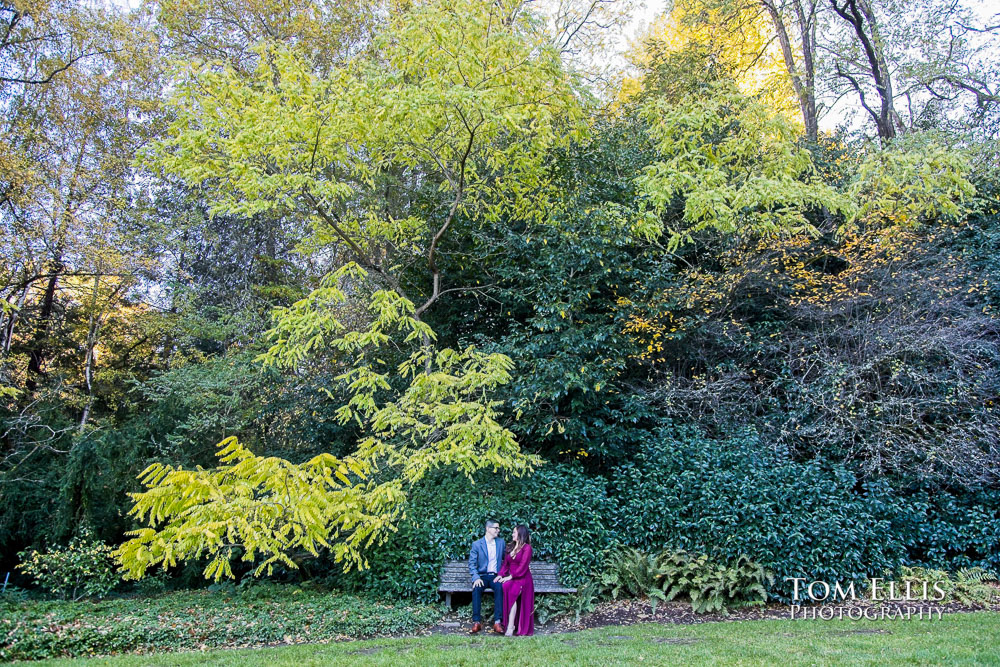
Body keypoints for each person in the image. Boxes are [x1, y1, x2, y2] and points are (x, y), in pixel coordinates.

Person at [467, 519, 505, 634]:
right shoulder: (477, 544)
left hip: (495, 576)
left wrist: (502, 575)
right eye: (496, 528)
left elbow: (505, 561)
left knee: (499, 587)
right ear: (488, 529)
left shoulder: (501, 542)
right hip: (482, 576)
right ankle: (476, 622)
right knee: (476, 588)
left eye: (498, 528)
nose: (498, 530)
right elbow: (472, 564)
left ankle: (497, 622)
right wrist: (476, 577)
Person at [496, 524, 534, 636]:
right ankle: (509, 623)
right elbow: (505, 565)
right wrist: (500, 575)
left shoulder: (527, 548)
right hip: (511, 577)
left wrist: (510, 576)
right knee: (505, 586)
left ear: (520, 534)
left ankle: (511, 626)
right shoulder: (510, 547)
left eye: (514, 532)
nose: (512, 534)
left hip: (523, 578)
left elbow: (523, 566)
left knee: (512, 590)